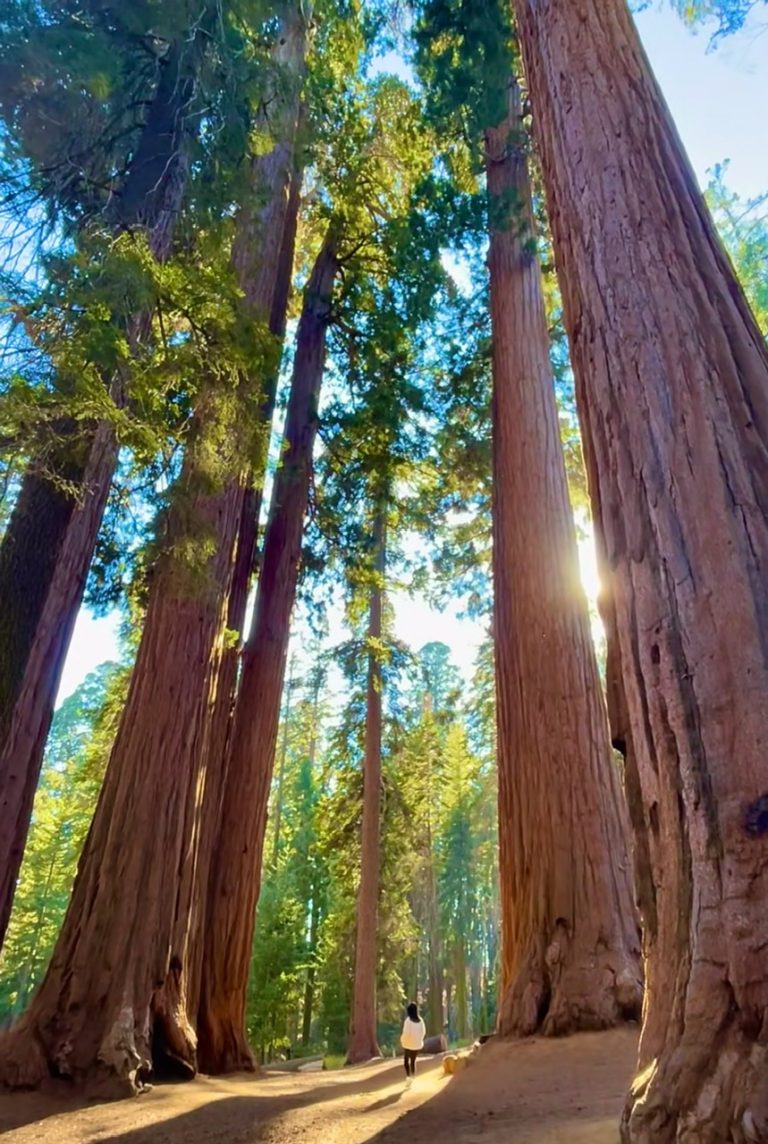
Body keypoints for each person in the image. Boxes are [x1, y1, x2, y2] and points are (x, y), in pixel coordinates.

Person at [400, 1001, 426, 1079]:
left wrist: (402, 1040)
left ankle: (408, 1076)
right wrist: (419, 1040)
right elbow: (423, 1032)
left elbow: (406, 1033)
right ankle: (413, 1076)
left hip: (408, 1044)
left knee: (406, 1061)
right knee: (413, 1061)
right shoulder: (421, 1020)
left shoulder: (408, 1021)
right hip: (417, 1044)